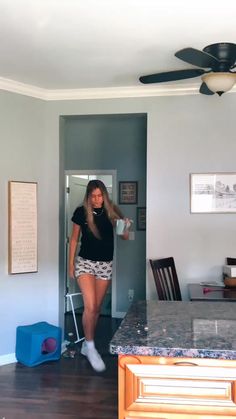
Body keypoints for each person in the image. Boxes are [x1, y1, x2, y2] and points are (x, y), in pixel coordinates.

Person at [69, 179, 130, 372]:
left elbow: (125, 236)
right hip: (85, 263)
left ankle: (88, 343)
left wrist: (125, 226)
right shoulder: (81, 212)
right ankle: (91, 346)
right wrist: (71, 264)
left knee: (96, 309)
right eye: (93, 196)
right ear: (88, 196)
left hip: (105, 265)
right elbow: (74, 239)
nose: (97, 199)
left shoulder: (111, 211)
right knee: (91, 305)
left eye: (100, 195)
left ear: (104, 195)